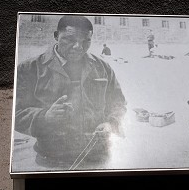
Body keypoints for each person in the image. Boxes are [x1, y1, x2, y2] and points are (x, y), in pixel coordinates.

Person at [15, 15, 127, 169]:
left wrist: (111, 123)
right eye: (70, 39)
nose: (78, 47)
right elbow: (15, 114)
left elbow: (118, 102)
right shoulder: (29, 69)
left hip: (97, 156)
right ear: (56, 36)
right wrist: (44, 116)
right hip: (52, 160)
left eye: (85, 41)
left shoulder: (102, 67)